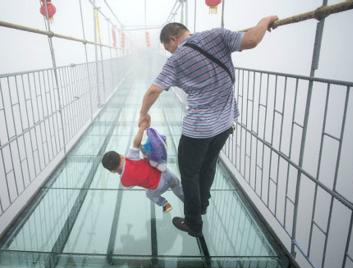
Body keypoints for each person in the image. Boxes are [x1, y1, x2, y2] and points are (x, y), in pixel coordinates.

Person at [137, 16, 279, 237]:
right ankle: (202, 205)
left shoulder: (175, 60)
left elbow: (153, 90)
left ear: (173, 39)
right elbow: (251, 40)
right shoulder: (217, 35)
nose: (171, 53)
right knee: (209, 164)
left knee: (189, 174)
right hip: (225, 124)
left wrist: (143, 114)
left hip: (198, 130)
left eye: (169, 48)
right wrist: (265, 20)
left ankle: (194, 224)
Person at [101, 120, 184, 212]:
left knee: (149, 194)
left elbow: (135, 180)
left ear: (112, 171)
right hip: (165, 174)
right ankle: (190, 203)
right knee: (179, 188)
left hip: (157, 187)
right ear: (121, 156)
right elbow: (136, 142)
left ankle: (165, 204)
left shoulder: (124, 183)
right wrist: (142, 127)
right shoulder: (130, 158)